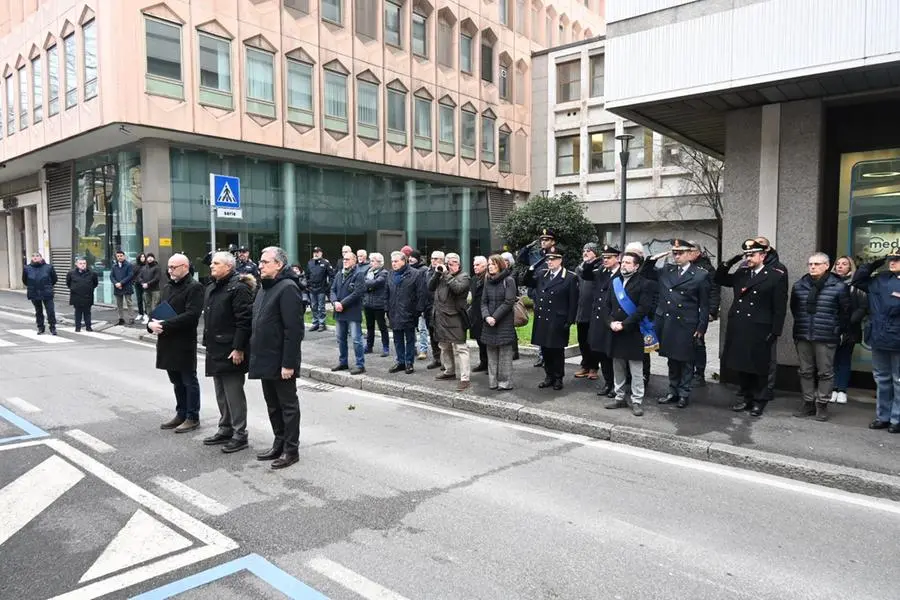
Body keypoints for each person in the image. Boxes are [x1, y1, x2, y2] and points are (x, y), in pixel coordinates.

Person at [715, 239, 788, 417]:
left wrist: (776, 331)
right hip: (740, 325)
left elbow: (779, 306)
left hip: (760, 327)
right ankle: (746, 398)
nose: (748, 257)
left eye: (752, 254)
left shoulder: (775, 275)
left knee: (759, 366)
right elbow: (719, 279)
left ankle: (759, 401)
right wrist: (730, 262)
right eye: (746, 254)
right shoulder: (742, 273)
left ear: (763, 256)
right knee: (742, 364)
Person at [249, 247, 304, 469]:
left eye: (264, 262)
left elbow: (294, 330)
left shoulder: (288, 288)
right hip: (264, 358)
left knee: (287, 406)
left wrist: (288, 363)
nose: (260, 265)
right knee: (272, 405)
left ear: (279, 265)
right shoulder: (264, 288)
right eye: (260, 262)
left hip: (281, 360)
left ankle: (291, 450)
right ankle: (278, 443)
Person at [201, 252, 255, 453]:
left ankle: (240, 434)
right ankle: (225, 428)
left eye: (216, 263)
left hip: (231, 349)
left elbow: (244, 321)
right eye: (212, 263)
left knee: (234, 394)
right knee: (221, 393)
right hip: (215, 347)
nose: (212, 266)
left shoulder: (239, 288)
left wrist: (239, 348)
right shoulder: (214, 286)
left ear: (229, 267)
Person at [789, 252, 850, 422]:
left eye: (817, 264)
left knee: (825, 372)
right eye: (810, 264)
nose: (813, 267)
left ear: (827, 266)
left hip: (826, 335)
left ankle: (822, 404)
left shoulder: (838, 286)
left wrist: (836, 330)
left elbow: (845, 312)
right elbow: (795, 308)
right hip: (803, 333)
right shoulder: (799, 285)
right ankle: (808, 402)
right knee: (805, 371)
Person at [650, 240, 711, 409]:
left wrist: (701, 327)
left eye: (680, 253)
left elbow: (704, 304)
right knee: (672, 359)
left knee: (686, 360)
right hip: (668, 322)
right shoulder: (666, 271)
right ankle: (673, 391)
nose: (676, 256)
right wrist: (654, 258)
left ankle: (684, 393)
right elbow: (646, 272)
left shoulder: (700, 274)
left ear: (690, 254)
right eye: (674, 253)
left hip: (686, 322)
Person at [149, 254, 205, 433]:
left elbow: (192, 315)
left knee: (188, 380)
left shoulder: (195, 287)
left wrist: (164, 324)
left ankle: (192, 416)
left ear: (185, 267)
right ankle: (180, 413)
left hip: (183, 341)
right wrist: (150, 324)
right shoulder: (167, 287)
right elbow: (156, 310)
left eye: (174, 267)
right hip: (166, 341)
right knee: (176, 381)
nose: (170, 270)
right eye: (169, 267)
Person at [601, 252, 654, 416]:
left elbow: (643, 309)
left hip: (633, 332)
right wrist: (610, 323)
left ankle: (637, 401)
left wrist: (624, 324)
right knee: (618, 366)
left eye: (628, 263)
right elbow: (605, 306)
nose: (624, 265)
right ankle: (619, 397)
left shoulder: (645, 284)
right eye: (623, 262)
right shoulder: (614, 282)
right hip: (615, 331)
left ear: (636, 266)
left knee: (636, 369)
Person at [852, 252, 900, 433]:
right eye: (891, 259)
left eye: (897, 260)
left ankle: (897, 419)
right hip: (879, 336)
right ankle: (883, 417)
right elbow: (858, 280)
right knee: (882, 379)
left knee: (898, 380)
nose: (892, 262)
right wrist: (874, 262)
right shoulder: (880, 279)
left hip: (897, 337)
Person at [525, 247, 578, 391]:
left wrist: (570, 320)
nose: (550, 262)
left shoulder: (569, 277)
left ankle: (558, 377)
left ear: (560, 260)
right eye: (548, 259)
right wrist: (531, 268)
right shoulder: (542, 274)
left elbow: (573, 301)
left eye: (553, 259)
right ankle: (548, 376)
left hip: (558, 318)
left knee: (556, 350)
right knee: (545, 349)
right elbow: (528, 282)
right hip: (543, 318)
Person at [429, 252, 472, 391]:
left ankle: (465, 378)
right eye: (448, 262)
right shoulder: (441, 276)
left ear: (459, 264)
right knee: (444, 346)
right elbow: (430, 287)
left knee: (460, 348)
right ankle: (449, 371)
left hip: (455, 317)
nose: (450, 265)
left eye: (453, 262)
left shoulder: (464, 276)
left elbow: (458, 289)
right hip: (441, 317)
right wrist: (436, 273)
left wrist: (446, 274)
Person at [517, 228, 557, 368]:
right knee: (540, 326)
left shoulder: (557, 256)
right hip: (537, 294)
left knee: (550, 327)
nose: (543, 242)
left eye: (546, 239)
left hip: (551, 296)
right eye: (542, 239)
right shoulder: (535, 255)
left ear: (553, 242)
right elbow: (520, 258)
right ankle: (541, 356)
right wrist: (528, 246)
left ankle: (550, 356)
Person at [585, 245, 620, 397]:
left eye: (609, 257)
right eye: (604, 257)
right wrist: (595, 260)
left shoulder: (621, 273)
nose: (605, 260)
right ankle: (608, 383)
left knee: (612, 355)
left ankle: (617, 386)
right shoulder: (601, 271)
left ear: (617, 258)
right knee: (600, 353)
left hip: (612, 318)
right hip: (598, 318)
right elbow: (586, 274)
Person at [831, 256, 867, 404]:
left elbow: (863, 307)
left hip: (850, 328)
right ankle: (832, 388)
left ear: (850, 267)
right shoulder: (830, 283)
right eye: (837, 264)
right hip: (832, 328)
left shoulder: (856, 285)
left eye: (844, 264)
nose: (840, 266)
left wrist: (849, 321)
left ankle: (842, 390)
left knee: (844, 360)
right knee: (831, 360)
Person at [481, 255, 517, 390]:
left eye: (493, 264)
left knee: (505, 355)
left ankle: (505, 383)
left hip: (504, 323)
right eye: (489, 264)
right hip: (489, 322)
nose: (490, 266)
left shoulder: (509, 280)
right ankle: (493, 382)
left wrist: (494, 317)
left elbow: (509, 302)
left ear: (500, 265)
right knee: (491, 354)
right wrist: (486, 317)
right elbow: (483, 302)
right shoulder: (487, 281)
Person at [688, 243, 721, 386]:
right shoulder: (684, 267)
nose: (687, 253)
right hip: (686, 311)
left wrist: (712, 311)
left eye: (690, 251)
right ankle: (688, 371)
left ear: (698, 252)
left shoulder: (706, 268)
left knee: (698, 342)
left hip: (700, 310)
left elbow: (714, 290)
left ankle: (699, 374)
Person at [330, 252, 366, 374]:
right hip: (339, 312)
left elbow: (358, 292)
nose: (344, 261)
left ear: (354, 261)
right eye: (343, 259)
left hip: (352, 312)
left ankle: (360, 364)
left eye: (347, 259)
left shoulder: (359, 274)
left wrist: (342, 304)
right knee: (340, 338)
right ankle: (343, 362)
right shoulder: (339, 273)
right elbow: (332, 290)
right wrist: (335, 302)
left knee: (356, 339)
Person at [386, 251, 421, 374]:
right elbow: (386, 294)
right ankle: (400, 362)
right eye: (392, 262)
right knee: (397, 338)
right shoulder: (390, 274)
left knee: (410, 339)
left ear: (404, 261)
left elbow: (420, 294)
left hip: (409, 312)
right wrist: (387, 309)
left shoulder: (415, 274)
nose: (393, 264)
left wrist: (417, 311)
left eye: (396, 261)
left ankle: (409, 363)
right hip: (394, 312)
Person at [574, 243, 602, 381]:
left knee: (592, 341)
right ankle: (585, 365)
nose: (585, 252)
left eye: (589, 251)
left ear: (595, 253)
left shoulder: (600, 267)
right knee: (582, 340)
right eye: (584, 250)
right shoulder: (579, 268)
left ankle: (593, 368)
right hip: (581, 310)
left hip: (594, 310)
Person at [22, 252, 58, 335]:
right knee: (38, 311)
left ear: (41, 258)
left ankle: (52, 327)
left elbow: (54, 279)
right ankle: (40, 327)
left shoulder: (49, 267)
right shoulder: (27, 268)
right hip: (34, 292)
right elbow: (25, 280)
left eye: (37, 256)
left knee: (50, 311)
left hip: (46, 292)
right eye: (33, 256)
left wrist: (47, 285)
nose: (35, 257)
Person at [363, 252, 390, 357]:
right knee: (370, 327)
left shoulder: (384, 273)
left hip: (379, 305)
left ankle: (386, 347)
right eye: (371, 261)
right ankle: (369, 346)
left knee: (382, 327)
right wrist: (368, 284)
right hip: (368, 304)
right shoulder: (367, 272)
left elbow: (375, 283)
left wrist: (367, 283)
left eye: (373, 261)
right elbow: (362, 283)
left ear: (380, 263)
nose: (371, 263)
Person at [421, 251, 445, 368]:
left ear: (442, 260)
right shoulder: (427, 271)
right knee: (432, 334)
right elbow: (427, 289)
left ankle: (445, 360)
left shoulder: (445, 271)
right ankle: (437, 358)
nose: (433, 261)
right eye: (432, 258)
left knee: (442, 336)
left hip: (442, 308)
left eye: (436, 259)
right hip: (429, 307)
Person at [66, 257, 99, 332]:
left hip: (88, 295)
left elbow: (95, 283)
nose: (82, 265)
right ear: (76, 264)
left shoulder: (92, 273)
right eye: (80, 263)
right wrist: (74, 289)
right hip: (76, 295)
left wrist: (89, 289)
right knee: (78, 312)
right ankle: (78, 327)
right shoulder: (71, 273)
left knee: (87, 312)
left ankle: (88, 327)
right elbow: (68, 283)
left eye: (84, 263)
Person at [307, 247, 334, 332]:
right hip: (312, 288)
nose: (316, 253)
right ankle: (315, 323)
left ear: (321, 253)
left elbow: (331, 275)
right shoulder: (310, 262)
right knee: (314, 306)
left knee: (321, 307)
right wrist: (307, 285)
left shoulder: (325, 263)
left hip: (321, 288)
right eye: (314, 252)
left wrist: (328, 286)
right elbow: (307, 275)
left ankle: (322, 323)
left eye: (318, 252)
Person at [469, 256, 489, 372]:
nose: (474, 267)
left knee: (487, 341)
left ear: (484, 265)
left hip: (485, 314)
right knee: (479, 340)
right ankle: (483, 362)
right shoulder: (474, 279)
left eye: (477, 265)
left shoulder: (488, 278)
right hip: (476, 314)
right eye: (474, 265)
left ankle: (490, 364)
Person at [501, 250, 521, 361]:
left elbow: (507, 282)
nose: (503, 263)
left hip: (511, 301)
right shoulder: (502, 271)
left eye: (505, 261)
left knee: (510, 327)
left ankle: (514, 351)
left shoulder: (513, 272)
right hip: (502, 301)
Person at [110, 249, 135, 326]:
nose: (120, 257)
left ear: (124, 256)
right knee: (119, 304)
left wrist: (121, 283)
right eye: (118, 256)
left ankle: (131, 318)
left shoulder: (129, 265)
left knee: (129, 303)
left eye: (121, 256)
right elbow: (111, 276)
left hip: (126, 287)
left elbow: (130, 275)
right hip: (117, 287)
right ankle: (121, 319)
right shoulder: (114, 266)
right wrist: (116, 283)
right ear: (116, 257)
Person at [141, 253, 163, 323]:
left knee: (155, 305)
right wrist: (142, 283)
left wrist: (148, 284)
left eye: (151, 257)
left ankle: (155, 319)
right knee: (147, 304)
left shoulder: (157, 267)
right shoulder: (144, 267)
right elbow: (139, 277)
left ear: (154, 258)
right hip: (146, 289)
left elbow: (157, 278)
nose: (150, 258)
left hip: (155, 290)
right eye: (148, 257)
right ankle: (149, 318)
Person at [133, 253, 148, 323]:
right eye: (141, 257)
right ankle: (140, 313)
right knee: (139, 299)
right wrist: (134, 281)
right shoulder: (135, 265)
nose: (142, 258)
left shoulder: (147, 265)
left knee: (146, 299)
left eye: (143, 257)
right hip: (137, 284)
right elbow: (133, 274)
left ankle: (146, 313)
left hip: (145, 284)